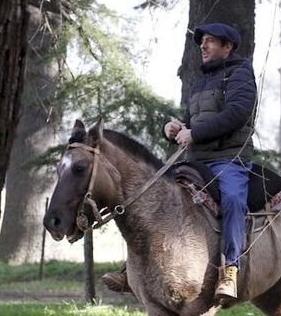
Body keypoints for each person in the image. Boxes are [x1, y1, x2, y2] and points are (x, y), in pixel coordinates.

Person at [102, 22, 257, 299]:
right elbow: (191, 121)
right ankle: (131, 270)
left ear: (228, 47)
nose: (204, 46)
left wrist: (194, 133)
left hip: (229, 160)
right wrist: (174, 128)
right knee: (153, 196)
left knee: (233, 199)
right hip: (196, 160)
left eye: (210, 41)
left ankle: (230, 270)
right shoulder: (202, 80)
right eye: (202, 42)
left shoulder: (241, 74)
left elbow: (237, 113)